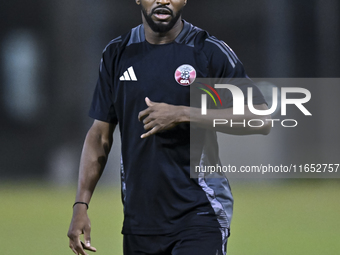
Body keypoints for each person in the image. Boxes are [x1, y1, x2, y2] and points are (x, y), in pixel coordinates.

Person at [67, 0, 271, 254]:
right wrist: (80, 204)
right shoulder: (117, 53)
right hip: (139, 222)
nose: (162, 0)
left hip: (200, 211)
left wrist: (183, 113)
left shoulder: (207, 52)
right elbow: (99, 135)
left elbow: (261, 118)